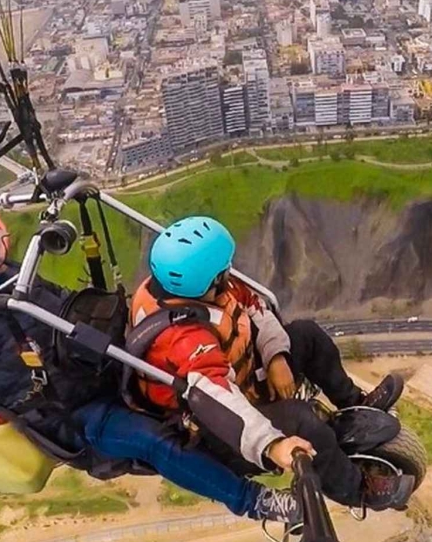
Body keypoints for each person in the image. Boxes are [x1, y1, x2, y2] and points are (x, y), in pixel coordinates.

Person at [0, 220, 301, 524]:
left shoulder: (6, 282)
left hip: (103, 359)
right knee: (156, 442)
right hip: (75, 411)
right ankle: (255, 503)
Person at [127, 215, 414, 511]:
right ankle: (358, 490)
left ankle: (354, 403)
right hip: (218, 427)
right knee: (303, 421)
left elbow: (254, 307)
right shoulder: (183, 339)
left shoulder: (200, 288)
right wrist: (272, 445)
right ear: (208, 278)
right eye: (224, 269)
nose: (230, 271)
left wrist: (277, 357)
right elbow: (215, 399)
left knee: (307, 334)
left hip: (243, 378)